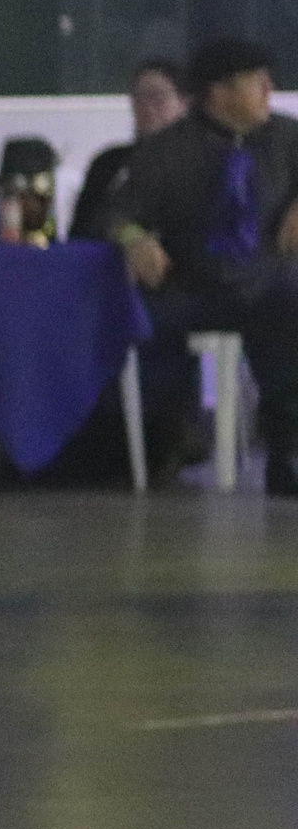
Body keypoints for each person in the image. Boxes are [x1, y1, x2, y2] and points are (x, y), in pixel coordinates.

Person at [109, 35, 298, 493]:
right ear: (219, 93)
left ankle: (283, 451)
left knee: (285, 309)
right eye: (256, 83)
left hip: (266, 279)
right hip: (194, 286)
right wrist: (135, 239)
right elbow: (117, 212)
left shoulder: (285, 137)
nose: (268, 92)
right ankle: (165, 442)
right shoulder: (167, 150)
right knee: (142, 321)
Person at [70, 57, 189, 243]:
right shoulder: (108, 163)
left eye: (158, 97)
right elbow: (82, 231)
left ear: (183, 103)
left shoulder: (198, 162)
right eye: (139, 97)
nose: (147, 107)